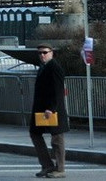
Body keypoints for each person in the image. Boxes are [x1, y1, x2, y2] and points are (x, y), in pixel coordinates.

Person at [30, 43, 68, 178]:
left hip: (52, 109)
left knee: (57, 138)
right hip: (40, 110)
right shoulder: (43, 67)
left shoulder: (54, 67)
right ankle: (47, 165)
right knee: (35, 134)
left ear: (51, 53)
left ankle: (60, 168)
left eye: (45, 52)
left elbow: (58, 90)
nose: (42, 55)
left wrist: (51, 108)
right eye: (40, 53)